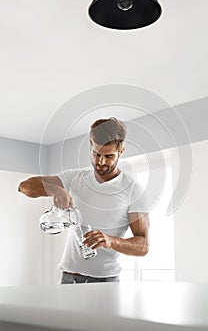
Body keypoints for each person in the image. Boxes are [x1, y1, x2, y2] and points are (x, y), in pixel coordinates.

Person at [18, 117, 149, 284]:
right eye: (96, 154)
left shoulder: (132, 189)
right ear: (90, 148)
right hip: (68, 277)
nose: (100, 162)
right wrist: (55, 189)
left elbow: (143, 245)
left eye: (108, 156)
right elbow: (24, 187)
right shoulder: (74, 178)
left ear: (121, 151)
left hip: (104, 281)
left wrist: (110, 241)